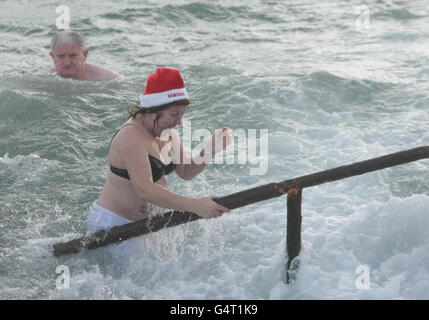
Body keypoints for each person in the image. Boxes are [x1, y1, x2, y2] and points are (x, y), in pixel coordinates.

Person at [87, 67, 232, 234]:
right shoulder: (132, 135)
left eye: (181, 114)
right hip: (114, 224)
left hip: (146, 224)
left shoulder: (167, 130)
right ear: (152, 111)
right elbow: (144, 189)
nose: (179, 121)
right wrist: (195, 205)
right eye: (174, 114)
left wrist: (210, 149)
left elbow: (185, 171)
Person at [49, 30, 118, 81]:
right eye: (61, 56)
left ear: (84, 55)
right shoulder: (44, 79)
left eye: (72, 55)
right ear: (53, 57)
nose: (67, 62)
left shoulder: (108, 78)